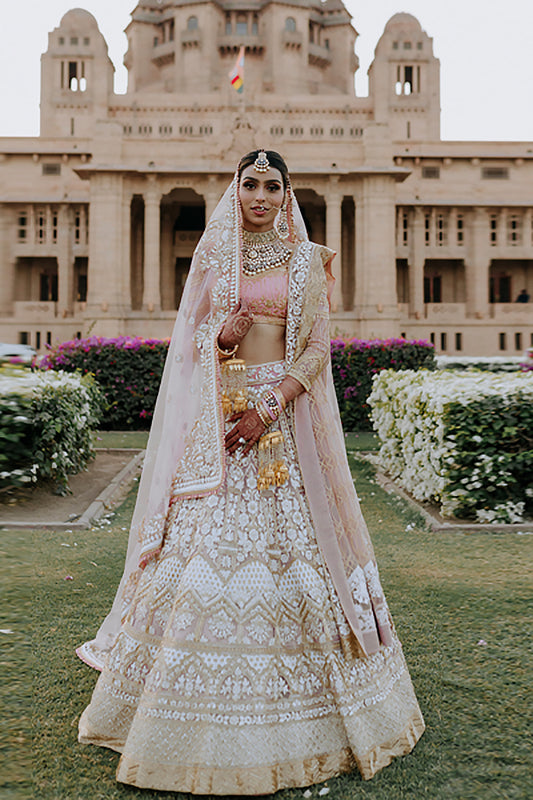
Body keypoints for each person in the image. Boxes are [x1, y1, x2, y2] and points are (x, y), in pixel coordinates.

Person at [77, 150, 425, 795]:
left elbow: (318, 347)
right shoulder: (214, 257)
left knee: (297, 549)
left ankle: (310, 714)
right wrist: (223, 339)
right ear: (234, 192)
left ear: (288, 194)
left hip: (281, 422)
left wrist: (271, 405)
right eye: (249, 186)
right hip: (222, 421)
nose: (260, 196)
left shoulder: (307, 261)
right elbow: (193, 344)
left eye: (272, 186)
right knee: (203, 544)